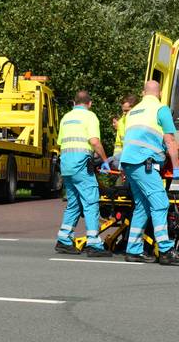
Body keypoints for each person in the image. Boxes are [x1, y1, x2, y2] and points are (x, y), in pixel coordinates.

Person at [120, 81, 179, 265]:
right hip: (145, 163)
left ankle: (133, 250)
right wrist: (176, 168)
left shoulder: (133, 111)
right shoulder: (161, 109)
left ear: (144, 93)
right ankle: (166, 250)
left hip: (128, 162)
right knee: (160, 203)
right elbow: (170, 141)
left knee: (142, 206)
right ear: (159, 94)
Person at [54, 90, 112, 257]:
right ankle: (94, 243)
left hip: (66, 165)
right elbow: (94, 141)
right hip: (81, 165)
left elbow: (61, 143)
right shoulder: (90, 116)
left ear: (74, 102)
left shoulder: (66, 118)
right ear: (90, 103)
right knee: (91, 201)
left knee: (74, 203)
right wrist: (105, 160)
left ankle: (64, 239)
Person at [112, 94, 138, 165]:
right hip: (124, 159)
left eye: (127, 111)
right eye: (123, 110)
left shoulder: (140, 122)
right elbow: (118, 144)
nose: (124, 113)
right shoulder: (121, 122)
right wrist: (116, 160)